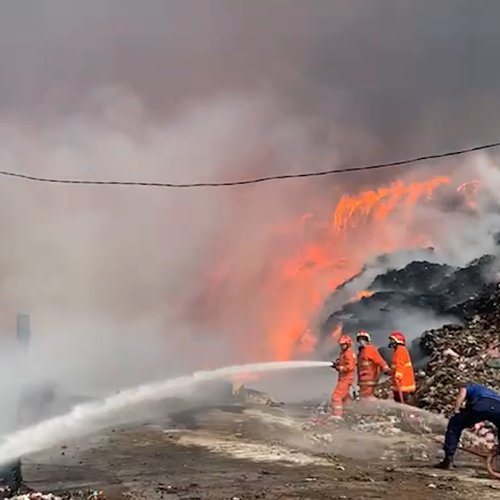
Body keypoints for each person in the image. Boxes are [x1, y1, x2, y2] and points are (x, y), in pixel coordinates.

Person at [437, 383, 500, 469]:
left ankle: (448, 459)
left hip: (481, 406)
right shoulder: (488, 392)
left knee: (455, 424)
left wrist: (456, 410)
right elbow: (488, 411)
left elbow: (462, 395)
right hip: (498, 407)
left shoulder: (467, 387)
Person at [356, 330, 390, 398]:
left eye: (363, 339)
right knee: (364, 397)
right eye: (360, 339)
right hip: (362, 380)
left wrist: (386, 368)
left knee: (367, 398)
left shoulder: (370, 349)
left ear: (367, 340)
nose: (361, 341)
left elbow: (379, 360)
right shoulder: (361, 351)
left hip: (370, 379)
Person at [331, 335, 357, 417]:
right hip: (343, 378)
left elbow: (350, 367)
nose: (342, 346)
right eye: (341, 345)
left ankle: (337, 415)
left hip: (346, 379)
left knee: (336, 396)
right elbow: (344, 363)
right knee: (345, 398)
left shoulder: (348, 353)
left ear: (348, 344)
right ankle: (350, 412)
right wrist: (337, 364)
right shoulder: (344, 353)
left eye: (343, 344)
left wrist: (340, 367)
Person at [388, 332, 415, 404]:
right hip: (399, 384)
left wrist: (398, 375)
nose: (391, 342)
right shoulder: (397, 351)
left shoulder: (400, 350)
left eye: (392, 340)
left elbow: (400, 364)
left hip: (403, 384)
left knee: (403, 401)